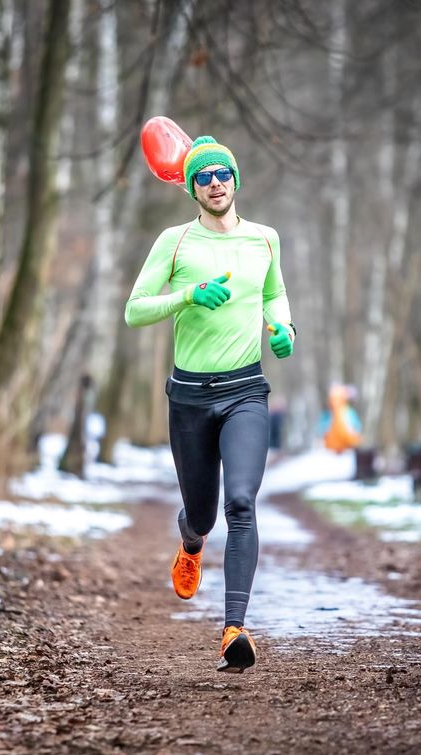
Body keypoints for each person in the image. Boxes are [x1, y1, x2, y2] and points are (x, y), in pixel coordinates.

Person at [125, 135, 295, 673]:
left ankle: (233, 629)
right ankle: (191, 539)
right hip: (191, 398)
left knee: (241, 504)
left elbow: (273, 293)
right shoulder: (174, 242)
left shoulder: (265, 239)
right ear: (192, 187)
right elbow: (135, 310)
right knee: (203, 512)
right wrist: (189, 295)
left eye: (224, 172)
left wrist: (283, 327)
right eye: (204, 176)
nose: (216, 181)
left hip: (246, 390)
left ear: (236, 179)